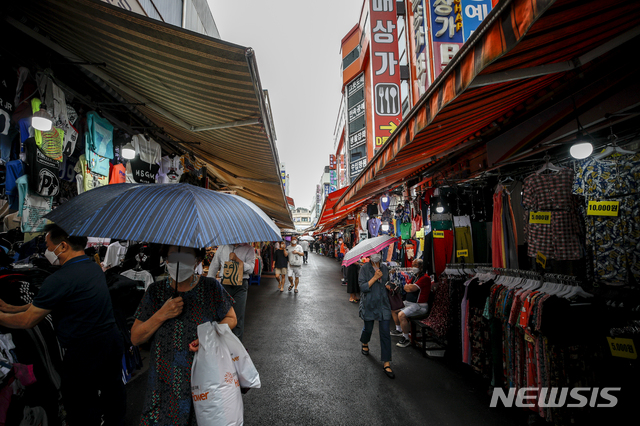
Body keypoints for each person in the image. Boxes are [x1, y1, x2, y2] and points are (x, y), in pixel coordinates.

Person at [0, 224, 126, 426]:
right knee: (113, 393)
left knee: (80, 404)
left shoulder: (59, 279)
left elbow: (28, 321)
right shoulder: (93, 268)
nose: (47, 251)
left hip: (84, 351)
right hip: (110, 341)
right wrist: (10, 308)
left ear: (64, 246)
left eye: (49, 247)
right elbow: (49, 303)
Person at [131, 245, 237, 426]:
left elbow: (231, 318)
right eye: (174, 255)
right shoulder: (155, 292)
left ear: (197, 259)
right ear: (165, 259)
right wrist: (162, 313)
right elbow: (136, 337)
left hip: (204, 378)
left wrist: (209, 336)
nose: (180, 261)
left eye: (187, 256)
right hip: (163, 381)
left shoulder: (211, 287)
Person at [207, 243, 255, 341]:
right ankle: (222, 345)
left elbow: (251, 269)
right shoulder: (222, 247)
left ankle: (237, 349)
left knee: (238, 317)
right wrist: (208, 284)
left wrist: (238, 260)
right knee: (223, 316)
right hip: (224, 285)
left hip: (240, 285)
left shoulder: (249, 249)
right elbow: (214, 265)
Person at [358, 252, 394, 379]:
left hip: (383, 304)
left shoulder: (384, 268)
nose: (376, 256)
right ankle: (365, 342)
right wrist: (374, 278)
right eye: (373, 254)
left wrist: (390, 286)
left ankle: (386, 362)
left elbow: (386, 283)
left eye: (378, 253)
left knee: (385, 333)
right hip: (369, 303)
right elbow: (362, 287)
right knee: (368, 328)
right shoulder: (364, 268)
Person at [396, 259, 432, 348]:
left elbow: (411, 289)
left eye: (415, 265)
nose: (413, 267)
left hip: (419, 306)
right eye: (413, 265)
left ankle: (406, 338)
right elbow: (406, 287)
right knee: (394, 308)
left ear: (421, 266)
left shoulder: (425, 278)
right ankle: (401, 330)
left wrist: (408, 287)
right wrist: (408, 287)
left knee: (401, 315)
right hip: (410, 303)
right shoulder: (415, 277)